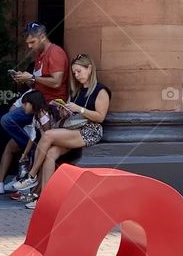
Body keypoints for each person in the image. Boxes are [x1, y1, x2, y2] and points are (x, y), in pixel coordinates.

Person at [12, 54, 111, 210]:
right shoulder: (78, 91)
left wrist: (79, 109)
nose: (76, 75)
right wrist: (65, 111)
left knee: (48, 135)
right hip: (74, 128)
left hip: (91, 130)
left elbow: (100, 117)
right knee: (51, 153)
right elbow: (75, 115)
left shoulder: (101, 90)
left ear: (89, 68)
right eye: (74, 73)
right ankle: (45, 198)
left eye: (79, 71)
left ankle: (31, 176)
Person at [0, 22, 69, 194]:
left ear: (42, 37)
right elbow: (39, 82)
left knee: (9, 121)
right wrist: (27, 80)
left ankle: (32, 153)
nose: (30, 46)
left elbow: (56, 81)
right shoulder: (40, 55)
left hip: (49, 105)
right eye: (27, 43)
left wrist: (32, 77)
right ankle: (30, 150)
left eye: (32, 42)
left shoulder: (55, 53)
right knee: (9, 120)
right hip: (36, 102)